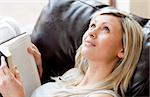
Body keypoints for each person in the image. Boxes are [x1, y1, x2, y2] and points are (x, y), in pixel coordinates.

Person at [0, 7, 143, 97]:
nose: (92, 32)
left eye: (106, 29)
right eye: (93, 25)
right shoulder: (73, 76)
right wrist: (33, 75)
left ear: (122, 50)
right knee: (10, 25)